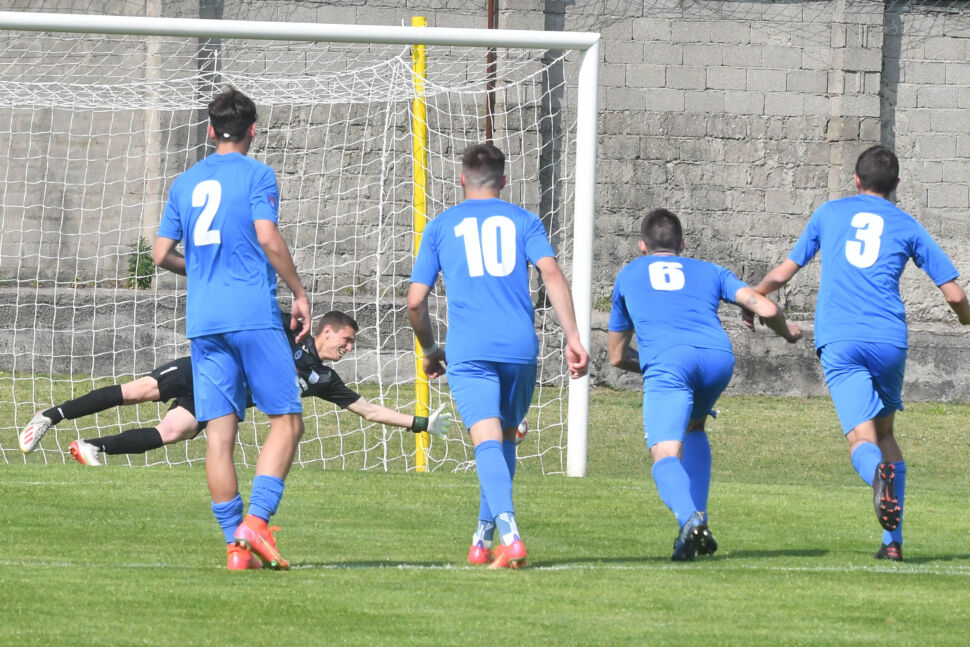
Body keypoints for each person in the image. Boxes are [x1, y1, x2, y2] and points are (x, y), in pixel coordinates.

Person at [743, 145, 970, 562]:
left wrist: (752, 297)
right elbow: (954, 294)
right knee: (886, 435)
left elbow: (784, 272)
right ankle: (893, 543)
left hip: (842, 340)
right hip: (889, 341)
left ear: (856, 180)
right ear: (897, 185)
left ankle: (877, 477)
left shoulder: (830, 214)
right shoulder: (908, 224)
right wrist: (965, 319)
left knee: (860, 440)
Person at [407, 142, 589, 569]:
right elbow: (551, 273)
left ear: (460, 179)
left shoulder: (440, 226)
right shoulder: (524, 220)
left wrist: (431, 349)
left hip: (470, 351)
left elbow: (416, 302)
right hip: (520, 347)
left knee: (487, 442)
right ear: (505, 181)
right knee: (505, 438)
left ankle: (510, 535)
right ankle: (481, 538)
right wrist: (574, 337)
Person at [152, 87, 310, 571]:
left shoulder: (185, 182)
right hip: (251, 313)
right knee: (286, 419)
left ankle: (235, 550)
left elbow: (160, 254)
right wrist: (299, 291)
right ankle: (256, 524)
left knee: (219, 433)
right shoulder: (258, 173)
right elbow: (267, 235)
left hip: (204, 319)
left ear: (208, 130)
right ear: (253, 131)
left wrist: (200, 270)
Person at [608, 208, 802, 561]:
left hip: (670, 362)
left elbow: (617, 356)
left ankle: (690, 520)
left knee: (665, 454)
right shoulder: (709, 270)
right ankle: (694, 531)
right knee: (695, 426)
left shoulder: (629, 275)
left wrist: (656, 364)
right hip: (717, 359)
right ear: (683, 244)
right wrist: (788, 333)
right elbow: (766, 309)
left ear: (642, 247)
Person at [18, 310, 452, 467]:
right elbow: (258, 309)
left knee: (175, 432)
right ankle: (49, 417)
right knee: (139, 391)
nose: (349, 347)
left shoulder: (323, 379)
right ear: (326, 331)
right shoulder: (292, 332)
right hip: (207, 366)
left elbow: (368, 409)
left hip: (220, 397)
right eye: (347, 339)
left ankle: (92, 447)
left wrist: (421, 423)